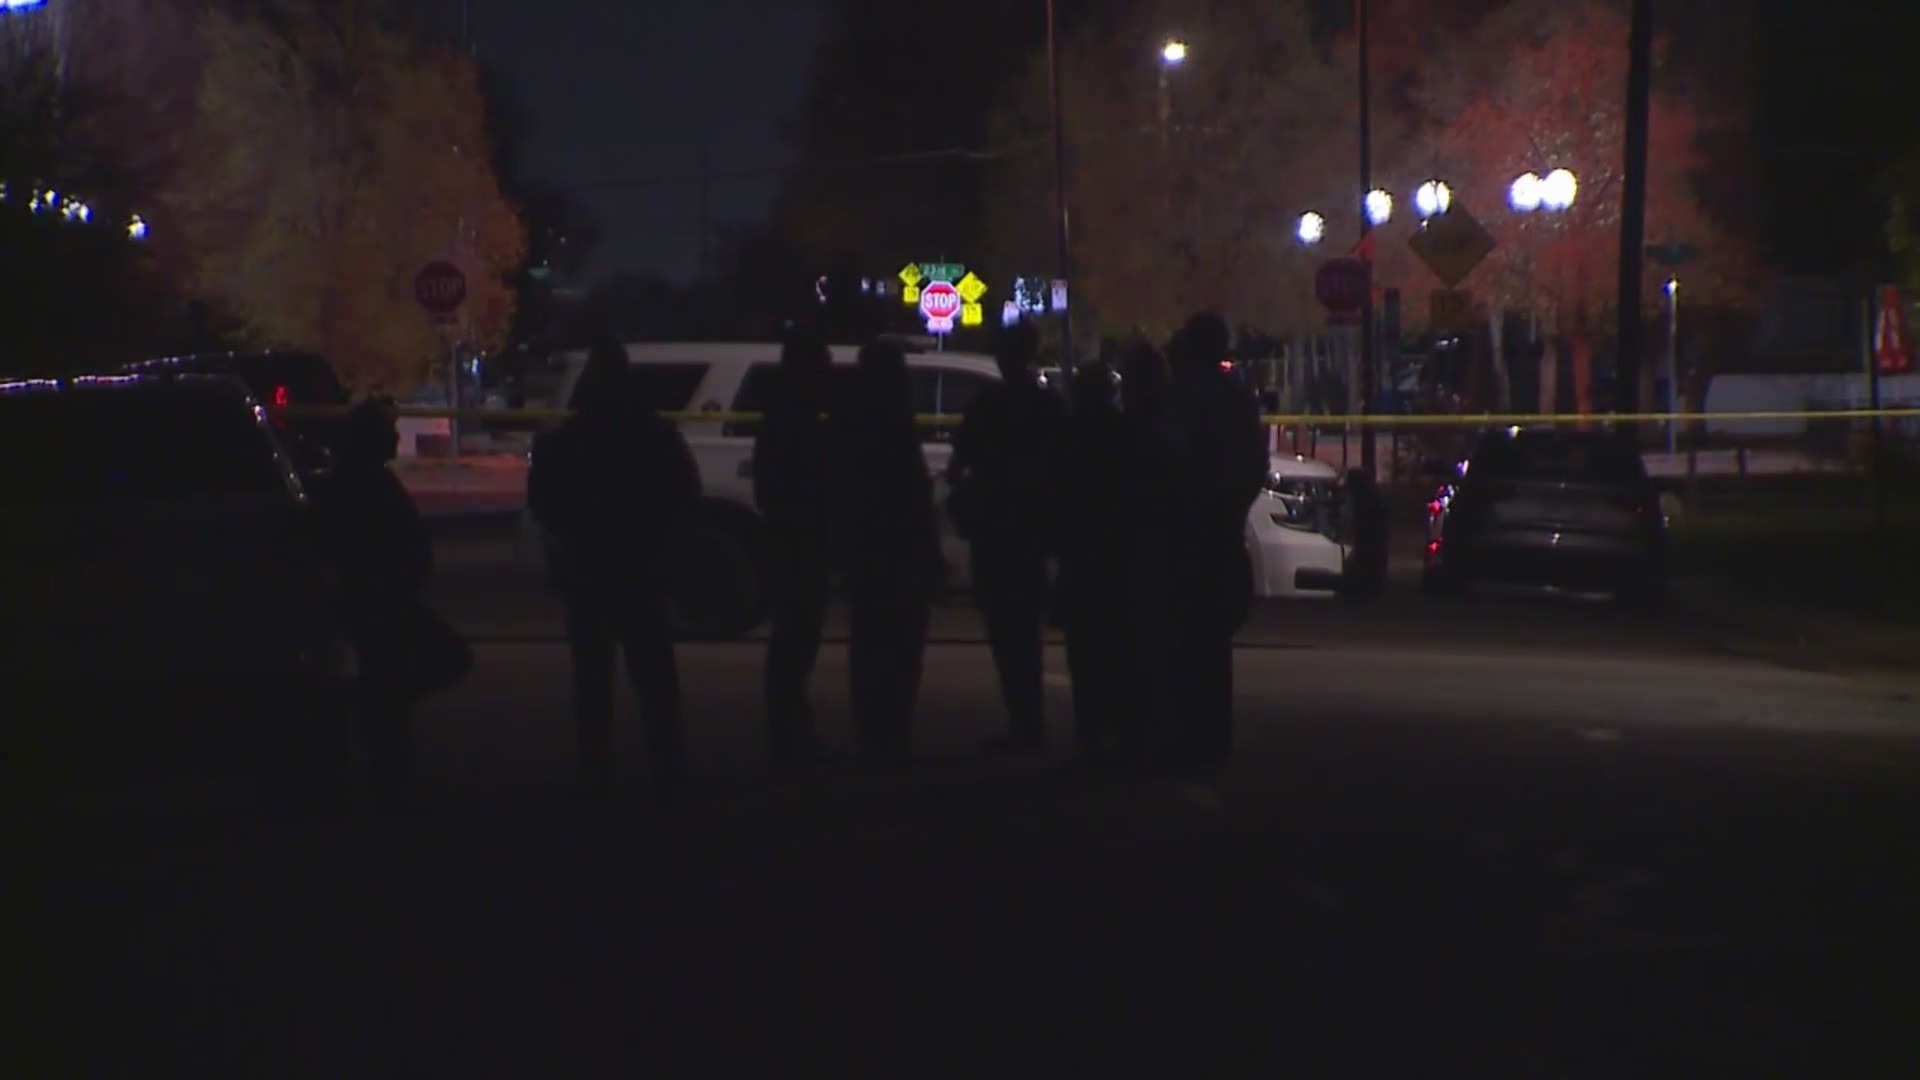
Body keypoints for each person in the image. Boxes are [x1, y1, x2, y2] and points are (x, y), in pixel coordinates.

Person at [528, 337, 702, 805]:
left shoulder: (570, 439)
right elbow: (686, 495)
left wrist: (570, 539)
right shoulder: (653, 434)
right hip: (640, 565)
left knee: (593, 676)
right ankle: (667, 765)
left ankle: (596, 767)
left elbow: (545, 500)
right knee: (653, 672)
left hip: (590, 565)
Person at [947, 321, 1069, 755]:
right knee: (1025, 631)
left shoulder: (988, 404)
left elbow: (958, 464)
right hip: (1029, 532)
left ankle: (1024, 721)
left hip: (997, 530)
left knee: (1005, 631)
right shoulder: (1046, 406)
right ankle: (1028, 721)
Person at [311, 397, 435, 813]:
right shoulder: (373, 489)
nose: (398, 438)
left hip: (368, 601)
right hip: (376, 603)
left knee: (387, 689)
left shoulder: (343, 487)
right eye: (389, 433)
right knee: (391, 691)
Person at [1157, 313, 1267, 772]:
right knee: (1210, 646)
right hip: (1219, 531)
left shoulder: (1185, 400)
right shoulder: (1235, 400)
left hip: (1193, 533)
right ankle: (1209, 735)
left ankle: (1191, 736)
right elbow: (1251, 468)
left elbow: (1168, 462)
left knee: (1186, 641)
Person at [830, 340, 941, 768]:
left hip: (867, 549)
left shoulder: (850, 417)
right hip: (896, 550)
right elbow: (911, 493)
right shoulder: (894, 420)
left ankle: (872, 736)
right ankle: (892, 737)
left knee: (870, 644)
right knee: (901, 647)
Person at [754, 329, 836, 767]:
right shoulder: (796, 419)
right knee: (795, 641)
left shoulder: (788, 415)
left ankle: (790, 734)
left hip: (795, 538)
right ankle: (789, 739)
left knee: (795, 641)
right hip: (798, 541)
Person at [1057, 361, 1135, 759]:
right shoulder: (1123, 435)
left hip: (1086, 554)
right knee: (1113, 644)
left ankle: (1092, 726)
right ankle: (1112, 726)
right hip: (1111, 555)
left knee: (1087, 648)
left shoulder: (1070, 436)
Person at [1343, 467, 1390, 601]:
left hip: (1369, 538)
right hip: (1373, 538)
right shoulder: (1372, 498)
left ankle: (1367, 588)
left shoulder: (1365, 500)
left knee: (1368, 560)